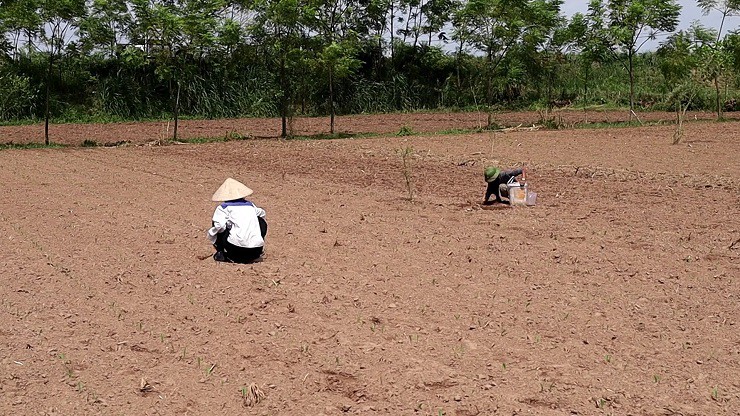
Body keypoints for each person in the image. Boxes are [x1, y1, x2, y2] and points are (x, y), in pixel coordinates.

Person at [207, 178, 267, 263]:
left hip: (235, 251)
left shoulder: (223, 208)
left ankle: (221, 252)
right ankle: (257, 251)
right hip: (255, 251)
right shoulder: (251, 206)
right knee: (260, 221)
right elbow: (262, 214)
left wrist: (211, 234)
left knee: (218, 224)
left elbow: (219, 226)